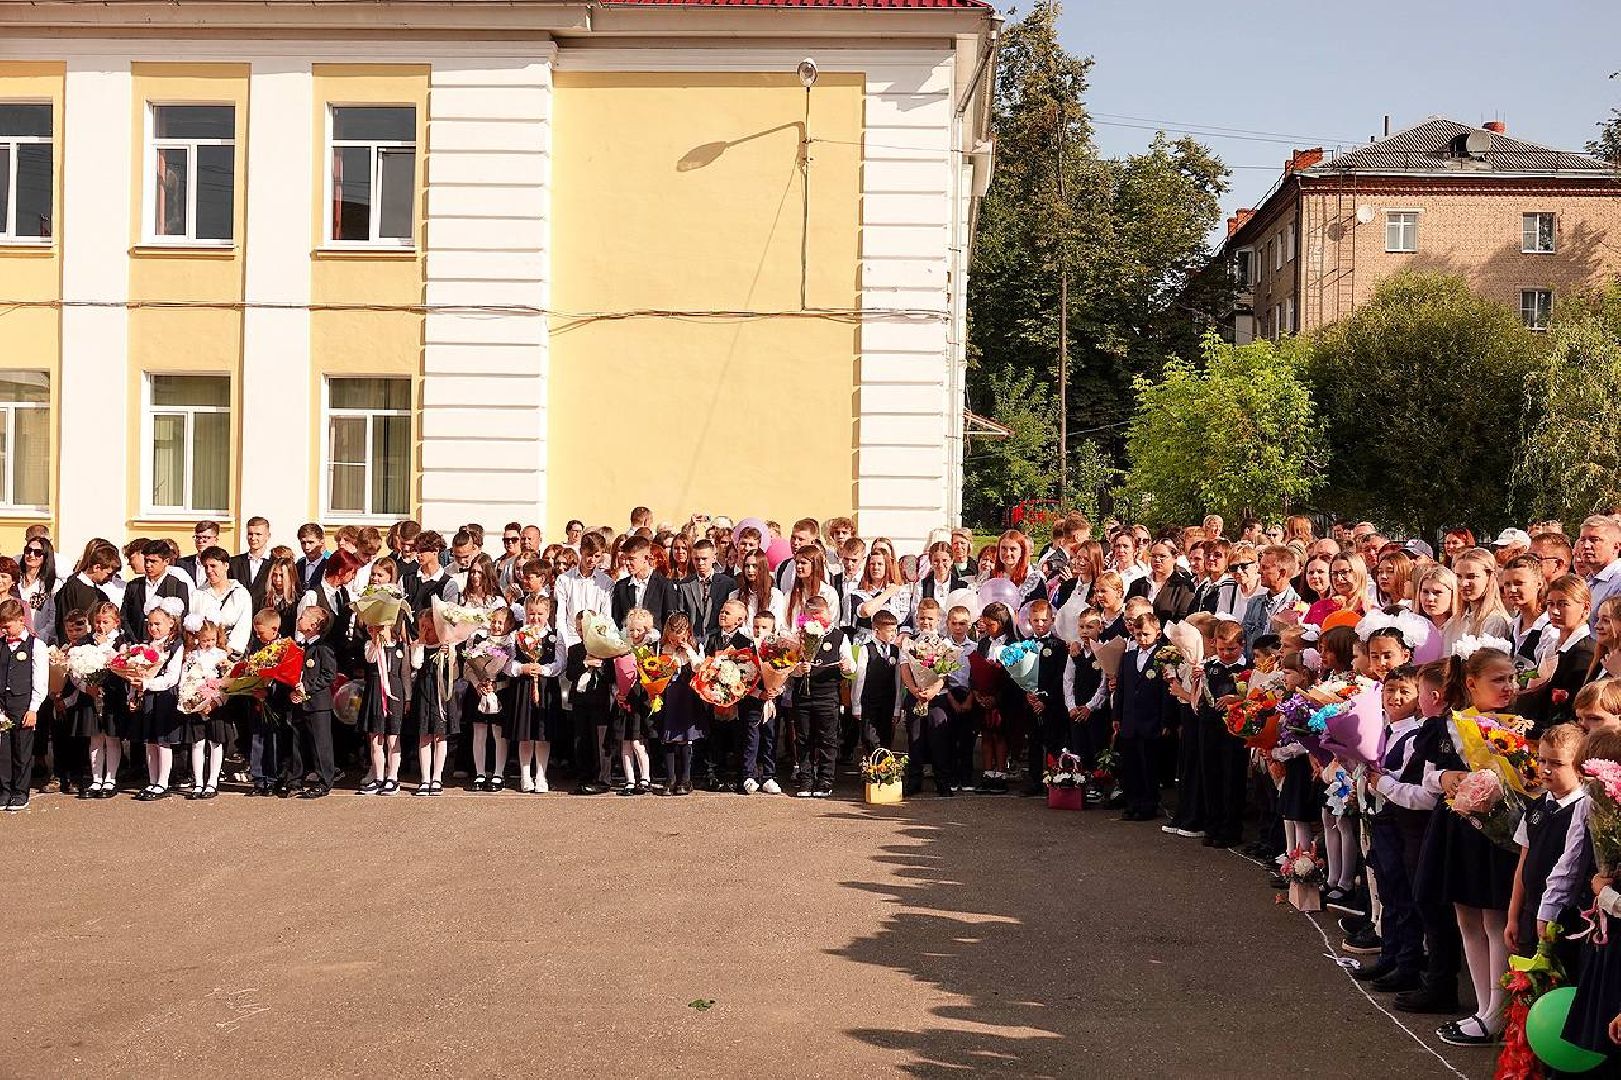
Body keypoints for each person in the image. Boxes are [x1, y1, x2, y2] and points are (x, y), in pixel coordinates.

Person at [1417, 644, 1521, 1046]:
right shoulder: (1447, 727)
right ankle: (1482, 1008)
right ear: (1471, 683)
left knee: (1495, 920)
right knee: (1466, 918)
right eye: (1498, 680)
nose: (1507, 686)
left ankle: (1497, 1012)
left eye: (1511, 679)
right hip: (1458, 827)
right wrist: (1444, 779)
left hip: (1498, 832)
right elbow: (1428, 775)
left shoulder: (1520, 726)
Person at [788, 595, 853, 798]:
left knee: (828, 739)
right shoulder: (797, 636)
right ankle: (806, 780)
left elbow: (850, 664)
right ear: (805, 615)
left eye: (819, 612)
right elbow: (787, 667)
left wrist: (846, 666)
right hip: (803, 695)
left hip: (828, 694)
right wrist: (799, 669)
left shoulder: (839, 636)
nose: (816, 617)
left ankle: (825, 781)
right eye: (811, 613)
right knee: (803, 738)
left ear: (828, 613)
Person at [1113, 610, 1170, 822]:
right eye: (1138, 635)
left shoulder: (1163, 657)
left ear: (1157, 633)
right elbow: (1121, 689)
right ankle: (1132, 803)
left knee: (1149, 765)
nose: (1142, 639)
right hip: (1129, 719)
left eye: (1146, 634)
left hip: (1151, 719)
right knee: (1131, 765)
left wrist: (1165, 720)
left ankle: (1148, 804)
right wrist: (1116, 715)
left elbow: (1166, 693)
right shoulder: (1128, 658)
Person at [131, 601, 187, 802]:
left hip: (165, 697)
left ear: (171, 623)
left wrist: (147, 683)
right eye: (150, 624)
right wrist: (134, 691)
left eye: (158, 624)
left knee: (163, 742)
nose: (153, 628)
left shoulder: (176, 645)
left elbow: (172, 677)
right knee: (150, 741)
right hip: (148, 696)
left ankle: (163, 782)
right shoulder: (145, 646)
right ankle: (152, 780)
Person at [508, 598, 564, 794]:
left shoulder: (554, 636)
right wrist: (521, 668)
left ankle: (541, 774)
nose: (535, 618)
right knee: (525, 734)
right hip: (523, 685)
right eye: (532, 613)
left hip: (546, 686)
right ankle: (525, 775)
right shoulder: (517, 635)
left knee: (542, 733)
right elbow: (508, 662)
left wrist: (543, 669)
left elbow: (560, 663)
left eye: (540, 614)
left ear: (547, 613)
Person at [0, 597, 49, 811]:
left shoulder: (35, 645)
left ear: (21, 621)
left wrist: (34, 707)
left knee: (22, 750)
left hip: (23, 703)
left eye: (8, 626)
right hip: (3, 703)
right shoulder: (1, 645)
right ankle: (4, 791)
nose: (5, 630)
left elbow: (41, 679)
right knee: (3, 751)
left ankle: (21, 792)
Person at [283, 606, 337, 799]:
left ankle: (324, 781)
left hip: (318, 704)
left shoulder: (323, 648)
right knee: (297, 742)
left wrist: (306, 687)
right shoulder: (298, 647)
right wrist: (292, 689)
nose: (299, 619)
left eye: (304, 617)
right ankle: (294, 780)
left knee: (320, 744)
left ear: (314, 625)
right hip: (298, 702)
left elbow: (329, 675)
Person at [408, 608, 459, 797]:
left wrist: (448, 654)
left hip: (441, 693)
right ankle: (424, 778)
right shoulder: (418, 645)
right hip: (424, 693)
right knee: (424, 737)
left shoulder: (446, 646)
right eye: (421, 627)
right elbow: (416, 664)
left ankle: (437, 777)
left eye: (428, 628)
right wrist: (420, 642)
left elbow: (454, 673)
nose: (425, 632)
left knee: (440, 735)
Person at [564, 610, 614, 795]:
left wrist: (599, 666)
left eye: (585, 627)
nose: (581, 631)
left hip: (599, 700)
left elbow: (611, 676)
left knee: (601, 740)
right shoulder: (575, 649)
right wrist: (585, 663)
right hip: (580, 700)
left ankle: (603, 779)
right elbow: (569, 674)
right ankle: (584, 776)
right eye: (579, 628)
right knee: (581, 739)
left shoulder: (606, 648)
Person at [121, 540, 190, 642]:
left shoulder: (177, 586)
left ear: (166, 561)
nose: (148, 565)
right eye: (146, 560)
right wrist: (134, 642)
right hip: (136, 646)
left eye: (153, 561)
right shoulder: (133, 586)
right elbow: (125, 617)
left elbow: (180, 620)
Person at [611, 536, 677, 630]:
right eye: (625, 559)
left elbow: (669, 620)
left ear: (646, 558)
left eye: (631, 559)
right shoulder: (621, 586)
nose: (627, 563)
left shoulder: (664, 585)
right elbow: (617, 619)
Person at [229, 516, 273, 609]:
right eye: (250, 534)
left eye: (258, 534)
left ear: (268, 536)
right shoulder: (234, 563)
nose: (253, 538)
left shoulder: (275, 563)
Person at [295, 523, 327, 593]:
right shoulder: (297, 567)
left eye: (311, 542)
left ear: (321, 541)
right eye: (303, 543)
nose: (307, 547)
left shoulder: (329, 566)